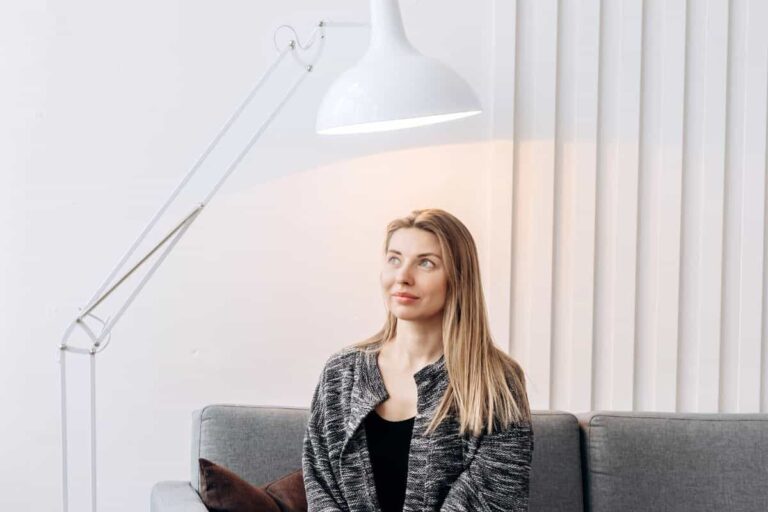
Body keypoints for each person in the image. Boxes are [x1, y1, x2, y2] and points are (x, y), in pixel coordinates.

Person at [302, 208, 534, 512]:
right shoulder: (341, 373)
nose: (403, 276)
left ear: (458, 278)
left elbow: (491, 500)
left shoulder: (494, 381)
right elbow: (320, 488)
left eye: (426, 263)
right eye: (394, 259)